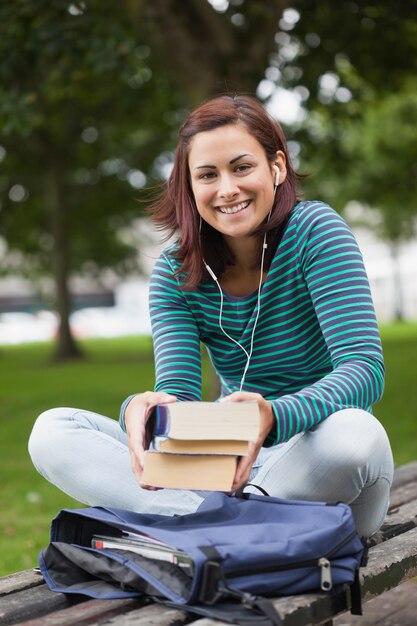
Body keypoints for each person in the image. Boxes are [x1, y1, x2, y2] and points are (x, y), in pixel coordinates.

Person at [29, 94, 394, 537]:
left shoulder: (316, 232)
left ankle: (202, 525)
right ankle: (230, 527)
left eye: (242, 167)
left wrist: (274, 417)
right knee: (52, 431)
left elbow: (364, 370)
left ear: (276, 167)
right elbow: (178, 399)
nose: (227, 189)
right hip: (228, 468)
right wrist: (143, 414)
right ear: (189, 186)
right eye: (207, 175)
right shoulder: (175, 272)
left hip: (319, 462)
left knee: (357, 433)